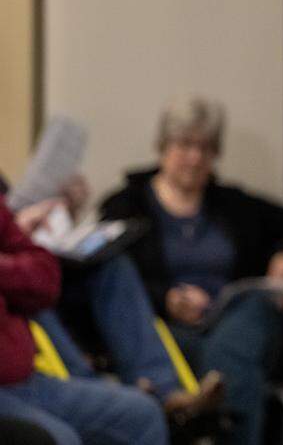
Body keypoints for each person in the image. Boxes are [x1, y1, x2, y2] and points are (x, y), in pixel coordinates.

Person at [100, 95, 283, 445]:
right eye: (185, 145)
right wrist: (168, 298)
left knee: (244, 323)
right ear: (163, 146)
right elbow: (111, 281)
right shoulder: (125, 206)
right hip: (170, 327)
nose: (195, 157)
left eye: (205, 148)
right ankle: (220, 414)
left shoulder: (232, 204)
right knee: (218, 358)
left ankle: (213, 412)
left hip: (234, 317)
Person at [5, 171, 223, 423]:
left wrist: (62, 212)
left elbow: (14, 234)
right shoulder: (132, 197)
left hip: (46, 264)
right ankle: (91, 391)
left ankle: (162, 388)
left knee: (113, 265)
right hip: (22, 286)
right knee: (31, 292)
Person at [0, 195, 169, 445]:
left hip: (27, 380)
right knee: (59, 439)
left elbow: (45, 279)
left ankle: (165, 390)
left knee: (142, 414)